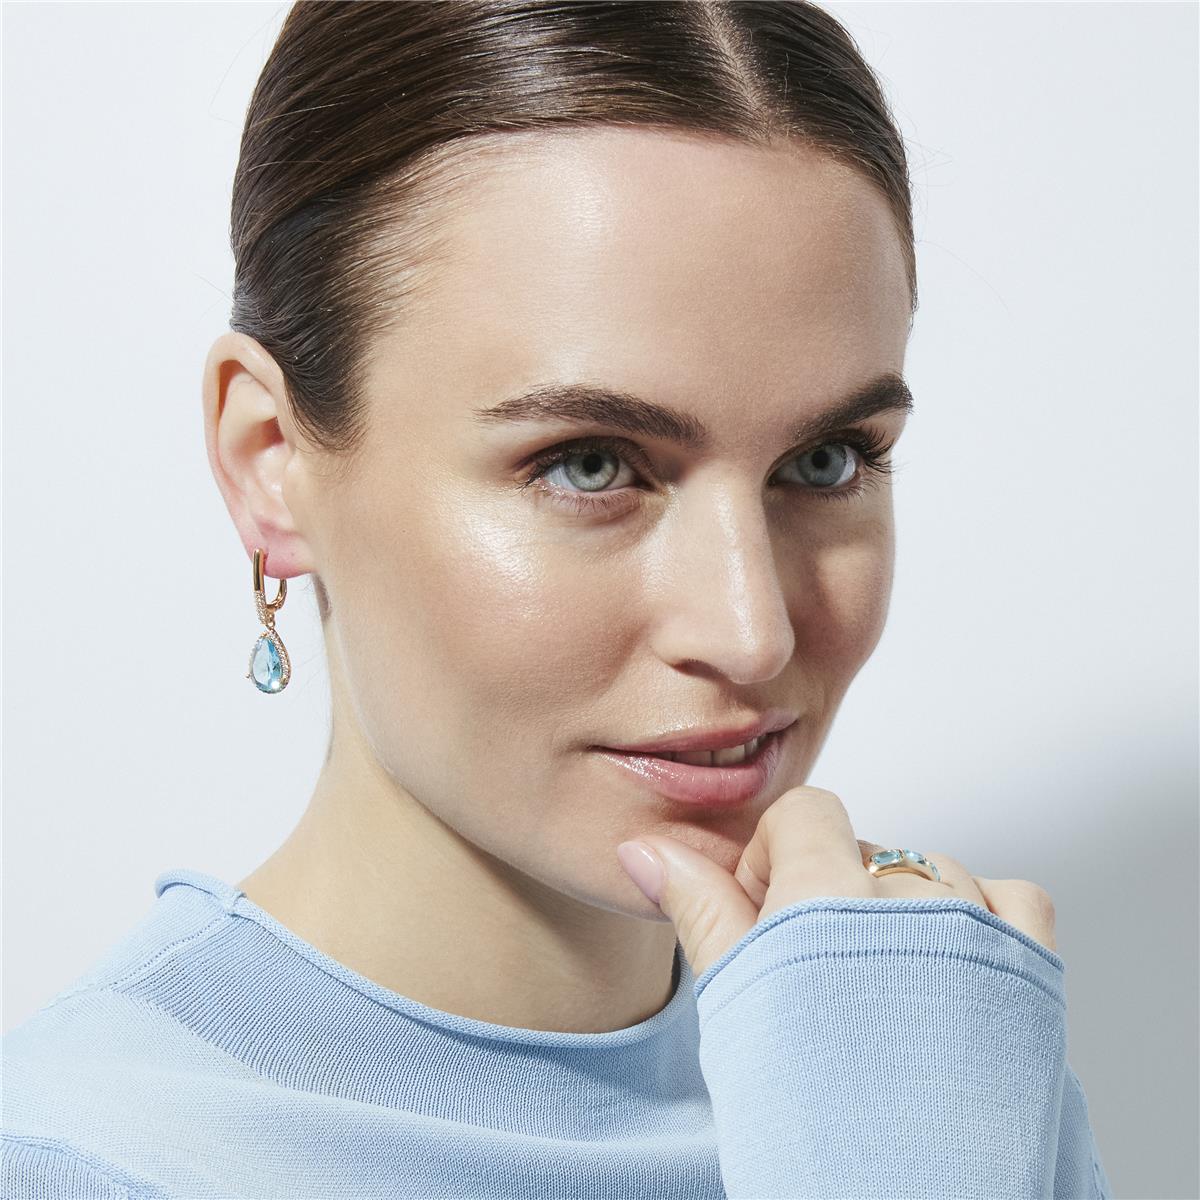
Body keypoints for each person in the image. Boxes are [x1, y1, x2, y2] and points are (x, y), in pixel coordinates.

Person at [2, 2, 1113, 1197]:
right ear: (271, 461)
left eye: (827, 460)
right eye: (589, 465)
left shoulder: (936, 1085)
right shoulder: (77, 1163)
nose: (751, 631)